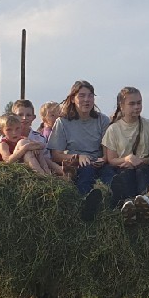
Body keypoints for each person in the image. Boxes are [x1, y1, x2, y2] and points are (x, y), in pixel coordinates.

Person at [49, 79, 109, 217]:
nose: (86, 100)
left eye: (90, 95)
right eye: (82, 95)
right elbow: (56, 155)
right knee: (86, 172)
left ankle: (119, 203)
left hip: (98, 162)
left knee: (110, 174)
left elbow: (107, 151)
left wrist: (103, 159)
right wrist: (77, 157)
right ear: (73, 99)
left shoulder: (103, 120)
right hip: (78, 164)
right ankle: (86, 202)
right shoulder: (63, 122)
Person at [103, 86, 149, 221]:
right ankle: (128, 205)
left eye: (139, 103)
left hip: (144, 168)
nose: (137, 107)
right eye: (132, 103)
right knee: (125, 174)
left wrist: (140, 161)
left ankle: (145, 201)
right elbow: (111, 159)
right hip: (123, 170)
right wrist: (126, 159)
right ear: (121, 106)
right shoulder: (113, 130)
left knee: (142, 171)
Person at [10, 99, 61, 176]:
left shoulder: (39, 138)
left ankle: (59, 173)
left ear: (33, 117)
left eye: (28, 115)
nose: (24, 118)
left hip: (36, 171)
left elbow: (47, 159)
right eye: (20, 115)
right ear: (13, 117)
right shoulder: (7, 137)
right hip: (15, 172)